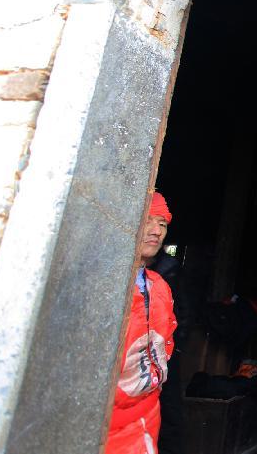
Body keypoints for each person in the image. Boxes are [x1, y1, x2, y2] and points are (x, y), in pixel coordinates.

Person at [106, 192, 178, 454]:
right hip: (105, 418)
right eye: (148, 220)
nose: (156, 231)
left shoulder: (159, 287)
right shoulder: (103, 283)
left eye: (163, 224)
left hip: (146, 414)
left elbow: (166, 342)